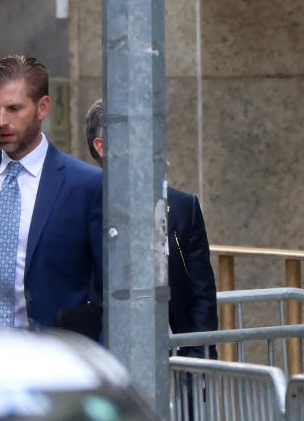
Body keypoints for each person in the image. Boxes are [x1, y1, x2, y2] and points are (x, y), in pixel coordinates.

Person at [84, 99, 218, 358]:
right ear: (102, 147)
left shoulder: (182, 206)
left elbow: (202, 294)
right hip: (104, 359)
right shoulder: (81, 204)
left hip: (174, 362)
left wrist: (197, 358)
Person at [0, 55, 102, 338]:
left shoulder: (86, 185)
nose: (2, 122)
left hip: (52, 363)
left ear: (42, 107)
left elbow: (107, 290)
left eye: (14, 109)